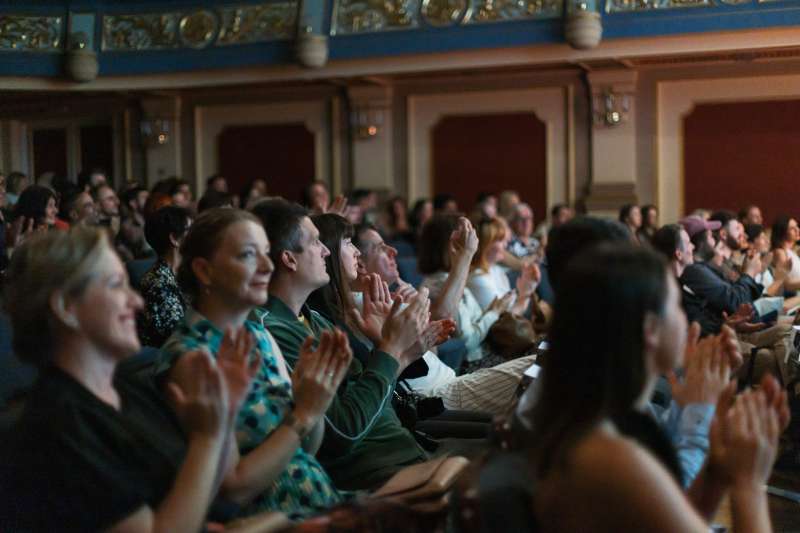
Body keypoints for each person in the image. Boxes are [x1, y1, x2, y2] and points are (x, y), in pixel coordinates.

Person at [527, 243, 786, 533]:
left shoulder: (601, 419)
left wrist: (716, 466)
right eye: (676, 305)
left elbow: (674, 514)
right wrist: (749, 485)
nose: (686, 318)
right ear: (650, 329)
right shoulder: (607, 454)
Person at [1, 227, 244, 531]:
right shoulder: (59, 426)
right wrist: (207, 438)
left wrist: (222, 415)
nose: (137, 302)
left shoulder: (129, 389)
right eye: (116, 285)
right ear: (66, 307)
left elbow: (197, 496)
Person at [158, 207, 349, 518]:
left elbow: (304, 451)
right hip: (278, 519)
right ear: (204, 271)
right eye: (248, 255)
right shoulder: (192, 357)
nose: (267, 266)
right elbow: (233, 489)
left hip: (322, 502)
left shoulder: (258, 334)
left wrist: (311, 398)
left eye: (266, 252)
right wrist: (304, 413)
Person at [253, 198, 429, 491]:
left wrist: (395, 349)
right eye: (315, 242)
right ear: (289, 259)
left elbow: (375, 403)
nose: (326, 250)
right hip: (374, 476)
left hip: (405, 455)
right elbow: (344, 433)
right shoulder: (273, 331)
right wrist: (390, 349)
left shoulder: (316, 320)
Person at [138, 206, 192, 347]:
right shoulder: (157, 282)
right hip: (166, 354)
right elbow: (177, 334)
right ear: (174, 239)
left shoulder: (188, 272)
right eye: (190, 230)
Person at [467, 217, 539, 317]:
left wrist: (525, 289)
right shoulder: (477, 278)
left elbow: (511, 308)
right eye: (501, 240)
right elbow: (502, 320)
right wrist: (525, 294)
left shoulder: (496, 270)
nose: (506, 245)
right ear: (486, 245)